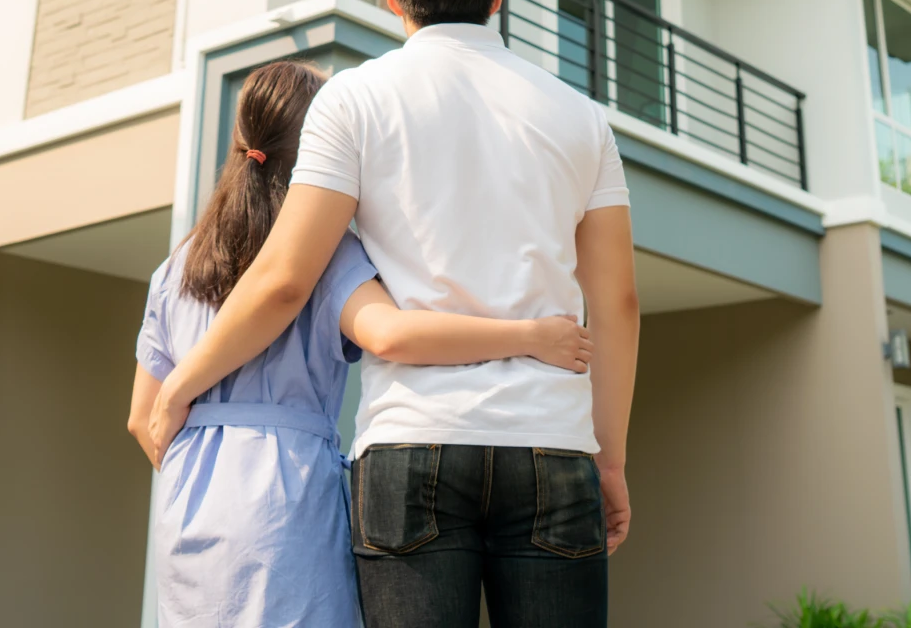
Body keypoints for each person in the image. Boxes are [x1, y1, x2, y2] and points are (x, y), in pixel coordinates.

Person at [149, 0, 641, 628]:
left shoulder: (354, 99)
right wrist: (609, 461)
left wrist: (182, 385)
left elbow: (286, 278)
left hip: (412, 445)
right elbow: (619, 302)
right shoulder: (582, 117)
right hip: (551, 441)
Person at [128, 58, 593, 628]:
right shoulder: (324, 253)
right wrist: (530, 336)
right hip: (286, 498)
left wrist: (203, 461)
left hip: (190, 496)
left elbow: (140, 418)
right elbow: (391, 334)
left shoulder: (175, 267)